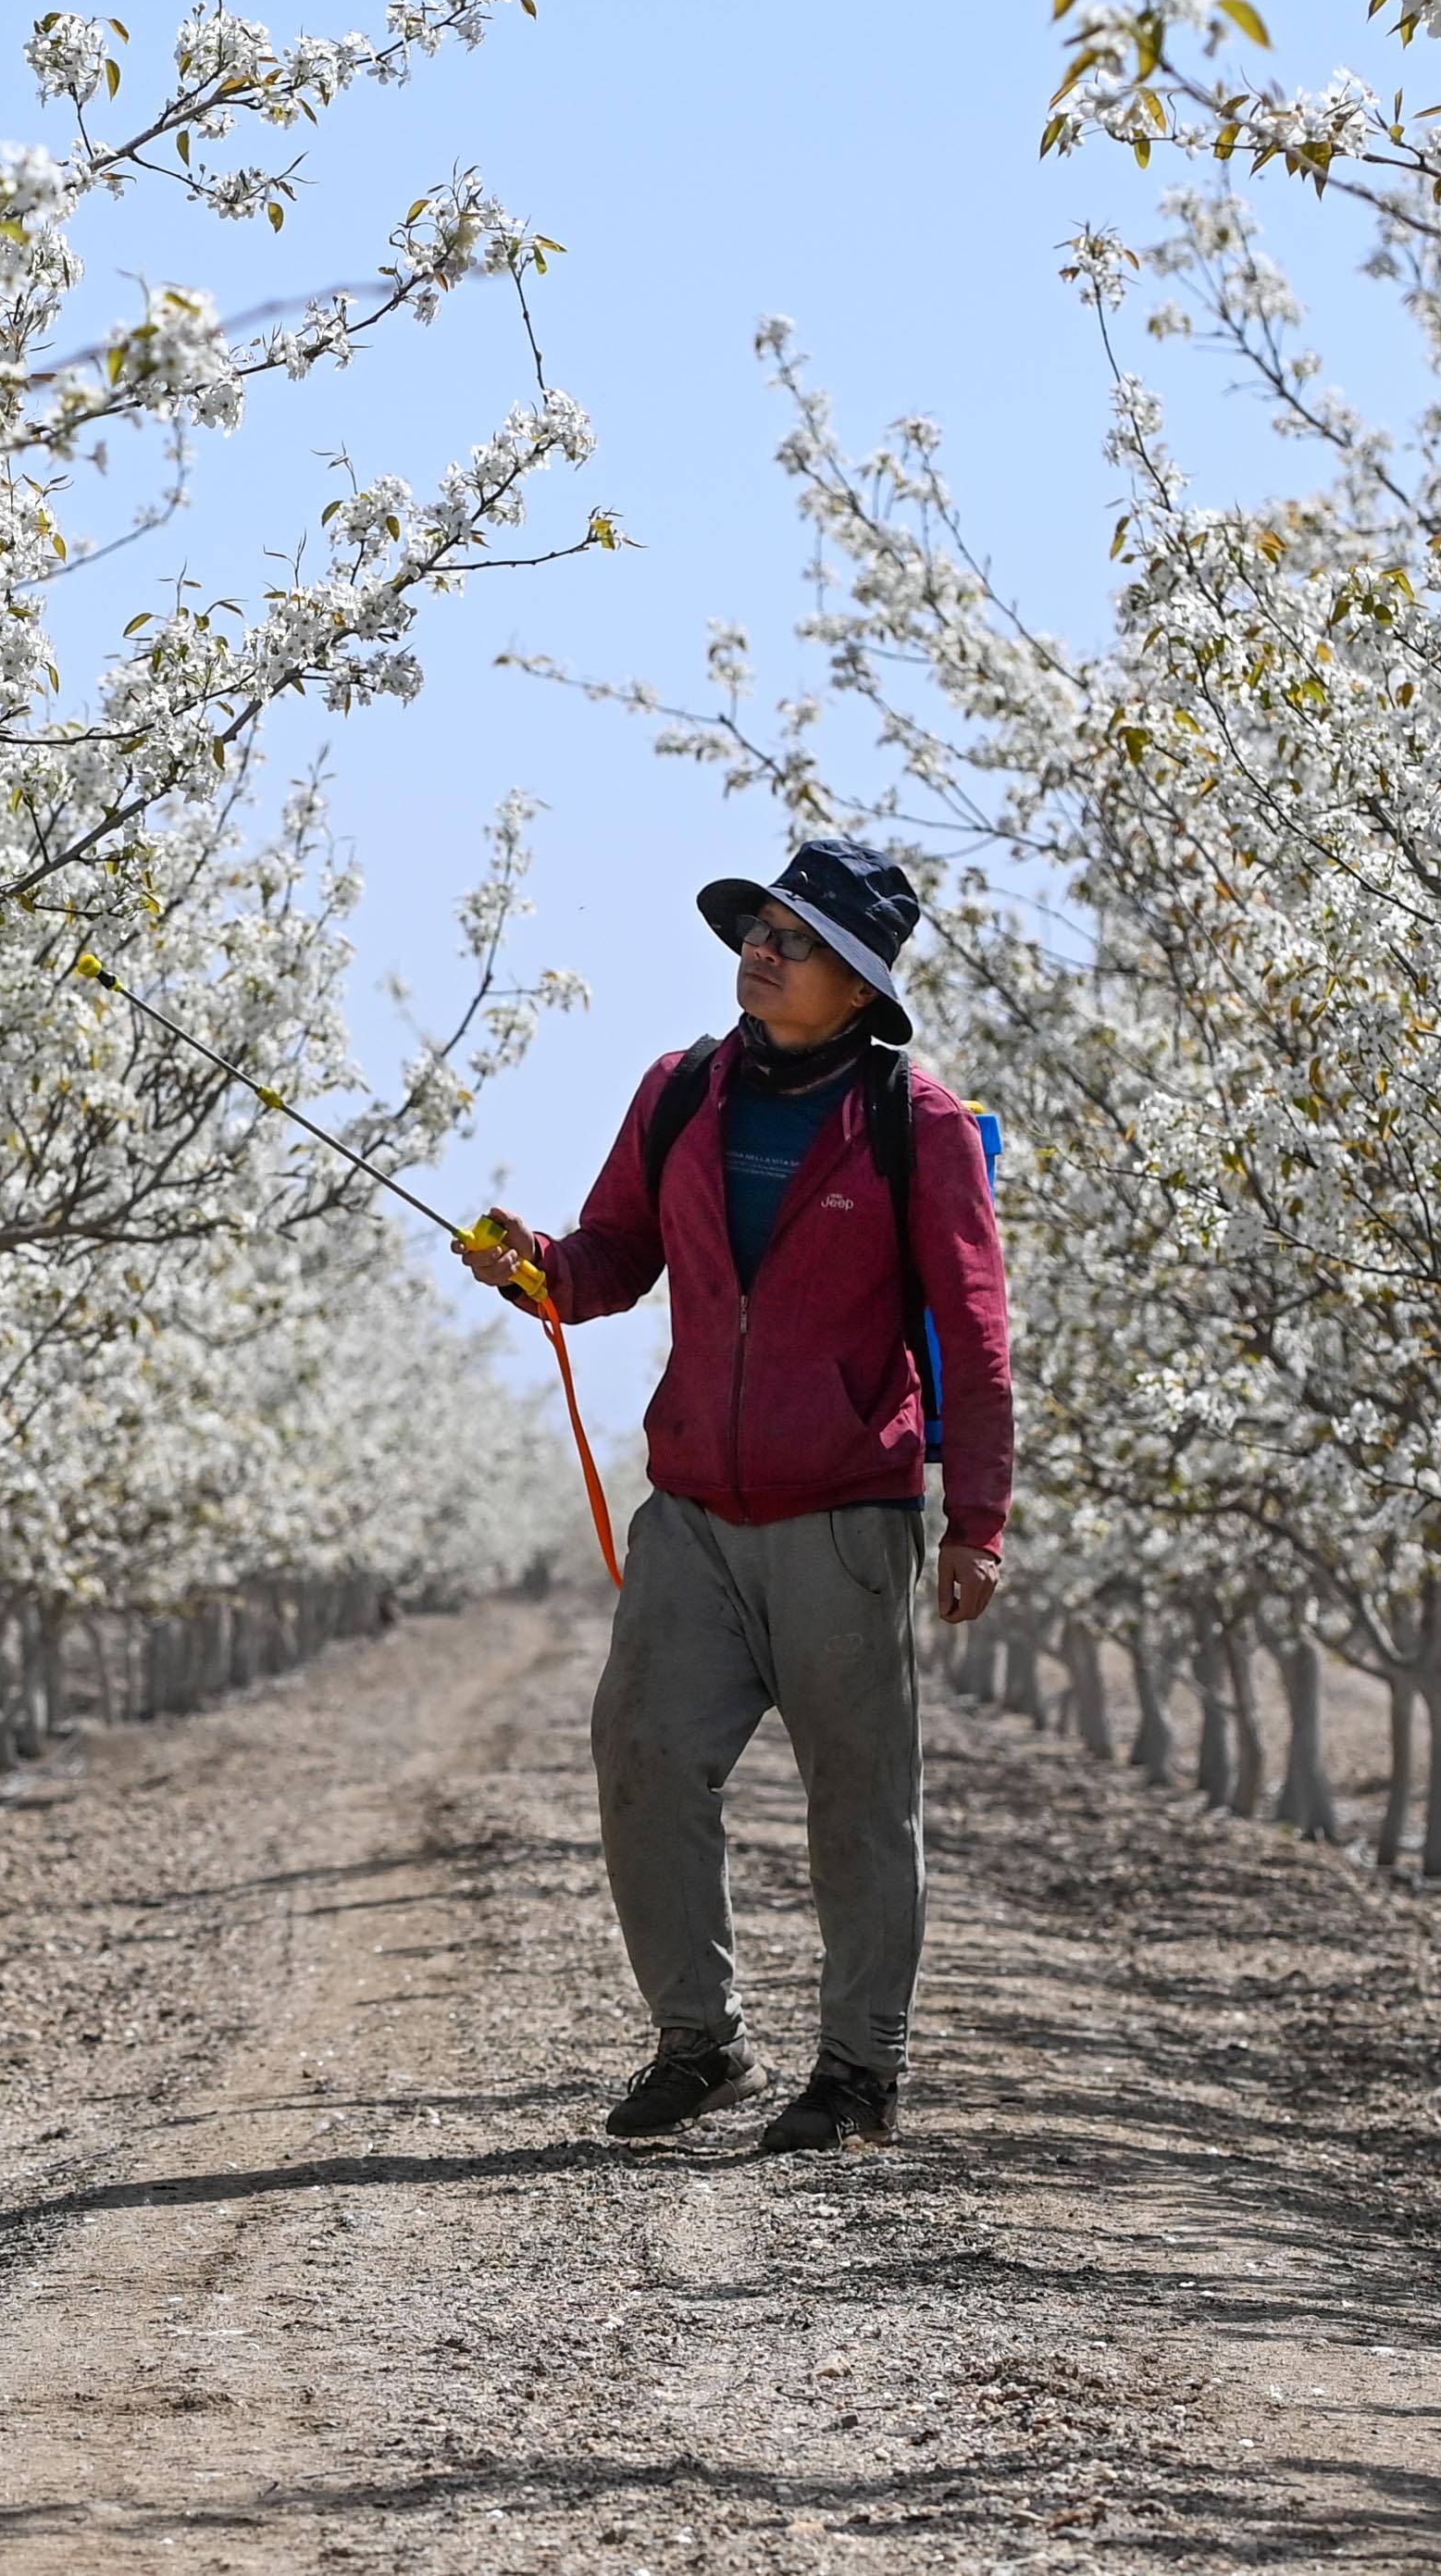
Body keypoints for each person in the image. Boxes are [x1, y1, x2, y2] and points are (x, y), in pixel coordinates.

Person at [457, 837, 1012, 2154]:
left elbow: (975, 1334)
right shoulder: (680, 1091)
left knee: (858, 1801)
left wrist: (977, 1522)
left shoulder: (915, 1122)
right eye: (759, 929)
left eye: (796, 940)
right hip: (695, 1514)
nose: (761, 951)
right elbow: (610, 1262)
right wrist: (531, 1267)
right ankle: (699, 2043)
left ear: (860, 989)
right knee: (641, 1754)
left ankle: (858, 2074)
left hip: (846, 1520)